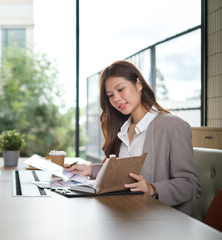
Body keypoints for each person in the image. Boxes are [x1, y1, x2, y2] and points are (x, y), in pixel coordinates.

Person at [66, 60, 200, 215]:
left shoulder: (174, 126)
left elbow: (190, 183)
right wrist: (91, 170)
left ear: (138, 84)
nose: (116, 98)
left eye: (121, 89)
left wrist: (152, 188)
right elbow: (126, 172)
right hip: (123, 213)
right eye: (110, 95)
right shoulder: (121, 129)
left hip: (159, 220)